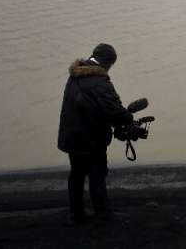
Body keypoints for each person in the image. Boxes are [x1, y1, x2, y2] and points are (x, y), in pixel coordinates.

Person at [57, 43, 133, 224]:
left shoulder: (74, 76)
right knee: (97, 173)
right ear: (108, 62)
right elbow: (112, 110)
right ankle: (103, 213)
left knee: (76, 174)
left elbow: (88, 107)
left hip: (71, 135)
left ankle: (76, 214)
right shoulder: (99, 82)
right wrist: (128, 119)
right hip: (91, 138)